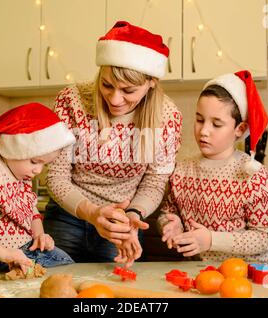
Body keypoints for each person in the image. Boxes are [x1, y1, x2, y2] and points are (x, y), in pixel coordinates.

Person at [44, 21, 183, 266]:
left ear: (151, 83)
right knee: (55, 287)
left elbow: (154, 182)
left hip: (122, 223)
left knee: (112, 290)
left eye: (128, 90)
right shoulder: (72, 100)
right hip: (67, 216)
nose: (115, 99)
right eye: (107, 85)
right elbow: (56, 176)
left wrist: (132, 216)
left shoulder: (168, 117)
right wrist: (92, 213)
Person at [158, 70, 268, 264]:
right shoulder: (181, 170)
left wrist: (212, 240)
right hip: (200, 274)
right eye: (199, 120)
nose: (204, 131)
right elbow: (168, 212)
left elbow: (267, 237)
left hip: (246, 277)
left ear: (239, 129)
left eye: (216, 124)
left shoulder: (254, 176)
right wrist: (170, 223)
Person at [0, 103, 76, 273]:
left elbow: (30, 209)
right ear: (13, 149)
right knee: (65, 268)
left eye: (44, 165)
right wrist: (5, 254)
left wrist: (39, 235)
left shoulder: (18, 171)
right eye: (34, 161)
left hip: (20, 248)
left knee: (64, 264)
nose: (38, 170)